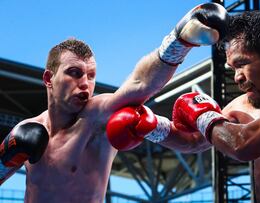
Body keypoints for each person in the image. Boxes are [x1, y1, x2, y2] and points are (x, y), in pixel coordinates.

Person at [0, 3, 229, 202]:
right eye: (74, 73)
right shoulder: (27, 130)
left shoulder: (96, 116)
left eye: (91, 75)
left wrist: (179, 40)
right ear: (49, 79)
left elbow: (140, 83)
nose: (85, 83)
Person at [108, 11, 260, 203]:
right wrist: (151, 126)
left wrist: (202, 115)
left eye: (242, 64)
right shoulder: (244, 104)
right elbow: (194, 141)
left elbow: (242, 144)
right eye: (232, 69)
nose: (237, 77)